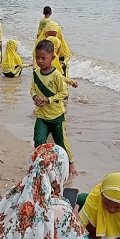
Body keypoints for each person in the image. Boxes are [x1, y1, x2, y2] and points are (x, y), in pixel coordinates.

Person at [32, 39, 79, 176]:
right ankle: (42, 164)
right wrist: (35, 97)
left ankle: (71, 163)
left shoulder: (57, 75)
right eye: (37, 58)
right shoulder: (35, 74)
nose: (40, 61)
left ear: (52, 58)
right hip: (41, 115)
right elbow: (32, 89)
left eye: (43, 58)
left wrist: (49, 99)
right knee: (39, 140)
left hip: (56, 116)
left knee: (61, 141)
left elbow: (64, 92)